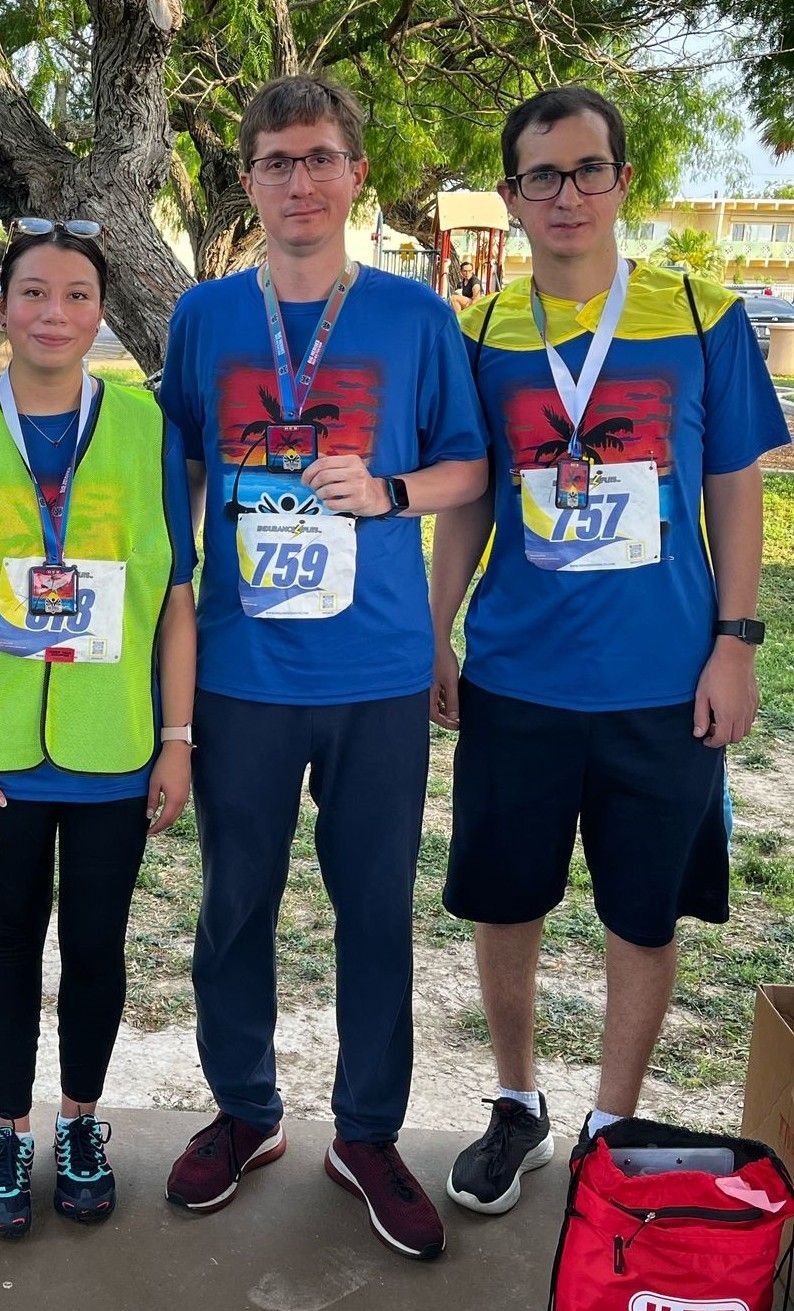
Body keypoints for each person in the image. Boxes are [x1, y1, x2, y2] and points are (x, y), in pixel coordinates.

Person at [432, 86, 788, 1218]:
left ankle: (609, 1122)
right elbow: (470, 499)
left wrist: (734, 642)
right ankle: (517, 1103)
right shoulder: (481, 332)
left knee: (643, 909)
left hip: (661, 680)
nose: (567, 194)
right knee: (506, 897)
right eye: (541, 175)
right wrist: (435, 630)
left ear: (622, 181)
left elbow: (736, 487)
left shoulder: (700, 314)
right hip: (513, 677)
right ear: (513, 196)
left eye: (588, 170)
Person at [157, 74, 488, 1261]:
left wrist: (392, 490)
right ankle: (245, 1111)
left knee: (371, 914)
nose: (298, 181)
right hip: (243, 673)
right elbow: (171, 474)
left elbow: (470, 468)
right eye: (274, 162)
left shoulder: (413, 318)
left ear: (354, 174)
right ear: (246, 182)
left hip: (378, 671)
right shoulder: (202, 316)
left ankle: (365, 1131)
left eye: (318, 158)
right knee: (231, 906)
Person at [0, 219, 198, 1238]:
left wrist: (176, 738)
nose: (54, 313)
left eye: (76, 294)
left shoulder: (144, 428)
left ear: (99, 310)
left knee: (96, 945)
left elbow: (174, 598)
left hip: (113, 746)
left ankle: (78, 1123)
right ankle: (7, 1127)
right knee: (8, 938)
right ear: (1, 302)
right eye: (33, 292)